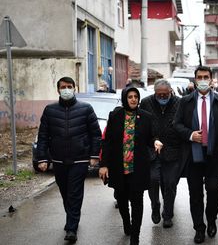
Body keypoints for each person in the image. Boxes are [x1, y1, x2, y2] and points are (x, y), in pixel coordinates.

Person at [37, 76, 101, 243]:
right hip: (58, 160)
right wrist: (42, 158)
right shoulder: (49, 110)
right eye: (63, 87)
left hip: (79, 160)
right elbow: (43, 136)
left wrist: (94, 155)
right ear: (58, 90)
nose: (66, 89)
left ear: (74, 88)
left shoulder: (86, 109)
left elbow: (96, 135)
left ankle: (72, 228)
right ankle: (71, 217)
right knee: (65, 193)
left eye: (69, 86)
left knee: (74, 193)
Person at [174, 66, 218, 244]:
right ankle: (199, 227)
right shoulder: (185, 101)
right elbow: (176, 124)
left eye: (205, 77)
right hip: (193, 155)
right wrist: (191, 135)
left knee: (214, 189)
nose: (202, 80)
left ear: (211, 79)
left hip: (214, 155)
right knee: (195, 193)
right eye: (199, 77)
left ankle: (212, 219)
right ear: (195, 80)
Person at [99, 86, 163, 245]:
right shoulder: (115, 116)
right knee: (121, 200)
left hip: (138, 168)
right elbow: (107, 142)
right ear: (125, 98)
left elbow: (150, 137)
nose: (133, 99)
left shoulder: (146, 117)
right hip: (119, 167)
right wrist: (104, 165)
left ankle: (135, 236)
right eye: (130, 97)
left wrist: (155, 141)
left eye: (136, 96)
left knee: (137, 202)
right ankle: (126, 223)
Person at [139, 79, 181, 228]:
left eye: (165, 94)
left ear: (170, 92)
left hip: (173, 151)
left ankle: (168, 214)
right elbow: (142, 126)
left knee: (170, 183)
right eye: (159, 95)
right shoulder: (146, 103)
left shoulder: (178, 103)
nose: (162, 97)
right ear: (154, 93)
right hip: (152, 150)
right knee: (153, 180)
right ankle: (155, 205)